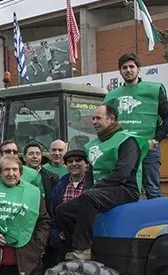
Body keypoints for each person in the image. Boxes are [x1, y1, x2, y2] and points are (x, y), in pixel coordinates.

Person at [56, 105, 147, 261]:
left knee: (88, 198)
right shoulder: (92, 145)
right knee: (62, 210)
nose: (94, 121)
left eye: (98, 118)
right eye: (93, 118)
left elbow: (121, 174)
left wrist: (92, 191)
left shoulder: (127, 140)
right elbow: (90, 173)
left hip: (124, 189)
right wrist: (89, 190)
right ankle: (83, 247)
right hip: (100, 191)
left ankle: (82, 249)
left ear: (111, 120)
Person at [104, 53, 168, 199]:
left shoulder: (153, 90)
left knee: (152, 190)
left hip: (148, 148)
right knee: (124, 189)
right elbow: (105, 124)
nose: (128, 70)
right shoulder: (111, 96)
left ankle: (155, 221)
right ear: (120, 71)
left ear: (138, 69)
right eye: (124, 67)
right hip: (123, 150)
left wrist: (156, 140)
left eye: (132, 66)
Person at [49, 149, 91, 260]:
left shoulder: (93, 185)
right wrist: (56, 237)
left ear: (86, 164)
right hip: (65, 243)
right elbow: (53, 214)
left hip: (88, 245)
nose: (74, 164)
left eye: (78, 160)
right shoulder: (60, 185)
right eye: (70, 161)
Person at [23, 142, 59, 215]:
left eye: (38, 154)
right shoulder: (16, 176)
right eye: (31, 154)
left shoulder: (52, 177)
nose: (35, 156)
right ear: (24, 157)